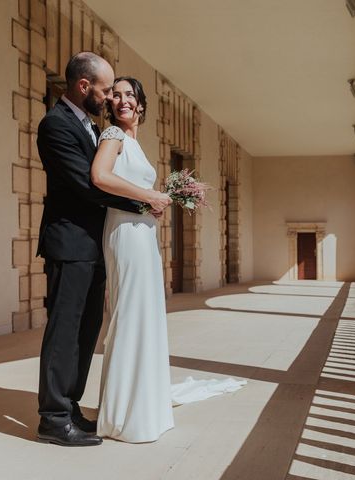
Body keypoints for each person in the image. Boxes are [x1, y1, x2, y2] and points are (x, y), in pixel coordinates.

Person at [91, 77, 245, 443]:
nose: (122, 100)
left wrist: (150, 203)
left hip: (142, 232)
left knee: (145, 314)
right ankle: (123, 414)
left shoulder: (134, 142)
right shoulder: (112, 135)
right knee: (129, 314)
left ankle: (140, 402)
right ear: (110, 104)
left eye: (130, 94)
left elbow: (126, 187)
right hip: (125, 234)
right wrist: (151, 195)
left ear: (141, 104)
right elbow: (99, 176)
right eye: (116, 95)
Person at [35, 52, 171, 447]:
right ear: (84, 86)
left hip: (97, 246)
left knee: (86, 330)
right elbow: (87, 183)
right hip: (70, 243)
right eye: (106, 89)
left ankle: (71, 406)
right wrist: (146, 203)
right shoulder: (55, 125)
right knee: (64, 331)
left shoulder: (94, 128)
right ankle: (53, 418)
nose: (111, 97)